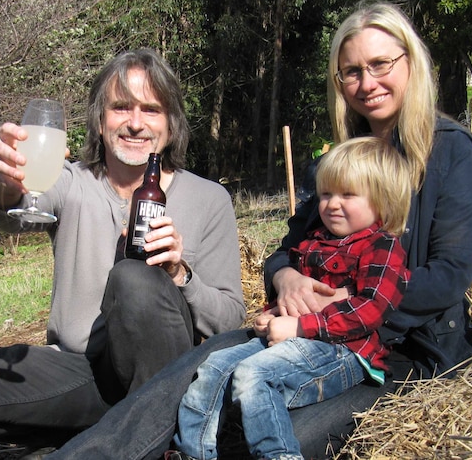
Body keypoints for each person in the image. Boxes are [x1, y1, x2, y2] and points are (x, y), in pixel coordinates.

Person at [42, 0, 472, 459]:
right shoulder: (341, 161)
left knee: (266, 431)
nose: (366, 82)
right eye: (351, 71)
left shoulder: (451, 152)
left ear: (410, 63)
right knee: (189, 378)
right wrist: (286, 277)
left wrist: (349, 300)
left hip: (394, 352)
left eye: (379, 64)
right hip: (301, 330)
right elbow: (285, 251)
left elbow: (450, 276)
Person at [0, 48, 246, 454]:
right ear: (100, 121)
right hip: (82, 371)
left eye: (151, 110)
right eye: (121, 107)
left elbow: (230, 320)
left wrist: (178, 275)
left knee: (134, 278)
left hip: (168, 379)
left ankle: (143, 436)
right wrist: (2, 181)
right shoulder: (70, 180)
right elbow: (8, 210)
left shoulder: (209, 198)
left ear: (171, 126)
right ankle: (108, 430)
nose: (135, 123)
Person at [169, 137, 412, 460]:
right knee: (214, 366)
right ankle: (193, 452)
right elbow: (295, 298)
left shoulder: (382, 247)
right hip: (295, 339)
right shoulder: (314, 242)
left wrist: (299, 326)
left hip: (346, 351)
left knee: (254, 376)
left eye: (348, 195)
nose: (332, 204)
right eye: (326, 194)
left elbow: (371, 310)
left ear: (382, 201)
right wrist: (271, 314)